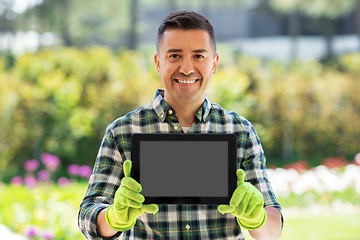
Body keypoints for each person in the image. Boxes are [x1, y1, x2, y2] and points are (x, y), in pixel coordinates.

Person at [78, 11, 283, 240]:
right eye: (174, 55)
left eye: (198, 56)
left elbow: (272, 230)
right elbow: (88, 216)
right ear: (158, 62)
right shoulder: (122, 132)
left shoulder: (241, 131)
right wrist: (114, 217)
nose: (186, 68)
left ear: (214, 64)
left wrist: (257, 218)